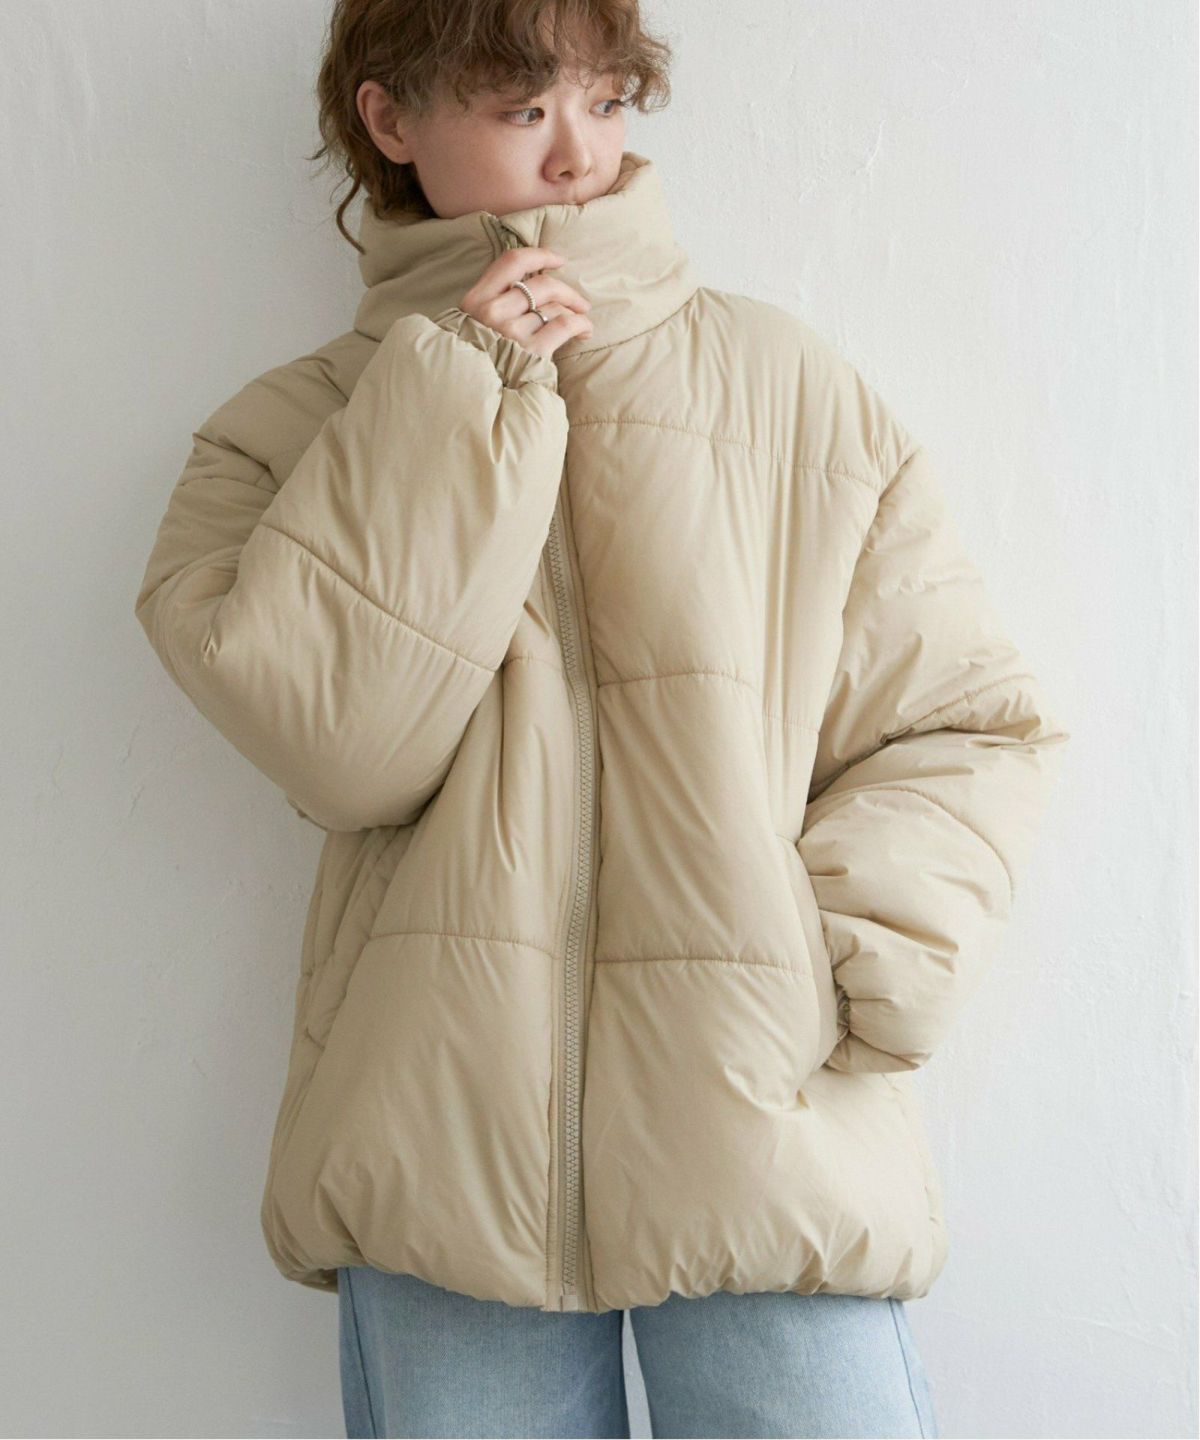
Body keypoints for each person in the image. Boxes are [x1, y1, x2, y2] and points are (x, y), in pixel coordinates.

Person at [132, 1, 1069, 1436]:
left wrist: (841, 972)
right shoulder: (283, 435)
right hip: (438, 1149)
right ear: (392, 120)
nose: (580, 154)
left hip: (766, 1127)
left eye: (609, 100)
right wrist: (446, 395)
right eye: (522, 110)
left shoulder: (787, 390)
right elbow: (344, 747)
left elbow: (961, 721)